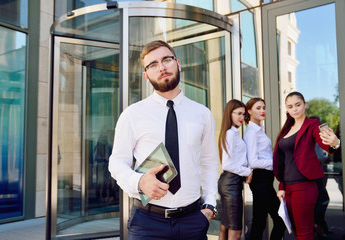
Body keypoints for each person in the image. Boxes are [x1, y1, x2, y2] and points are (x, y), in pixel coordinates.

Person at [108, 40, 219, 240]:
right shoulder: (132, 114)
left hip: (193, 220)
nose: (161, 67)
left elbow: (209, 163)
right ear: (146, 75)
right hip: (147, 222)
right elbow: (116, 162)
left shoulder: (202, 114)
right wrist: (139, 181)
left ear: (178, 64)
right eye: (152, 65)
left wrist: (210, 206)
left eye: (166, 59)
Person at [273, 91, 340, 240]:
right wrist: (282, 187)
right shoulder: (287, 129)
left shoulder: (313, 126)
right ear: (287, 109)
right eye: (290, 106)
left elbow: (326, 144)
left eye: (298, 105)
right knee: (297, 231)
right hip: (288, 189)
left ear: (305, 105)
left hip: (304, 187)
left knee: (304, 233)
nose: (294, 109)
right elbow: (284, 162)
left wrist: (335, 143)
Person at [243, 98, 286, 240]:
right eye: (258, 108)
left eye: (263, 107)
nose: (262, 111)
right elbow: (253, 162)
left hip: (265, 179)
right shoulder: (252, 133)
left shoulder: (260, 130)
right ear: (249, 111)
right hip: (260, 179)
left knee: (259, 222)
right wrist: (274, 163)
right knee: (279, 220)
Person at [218, 99, 253, 240]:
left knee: (225, 227)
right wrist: (248, 172)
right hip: (231, 183)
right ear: (229, 113)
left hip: (230, 182)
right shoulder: (230, 134)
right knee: (236, 231)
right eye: (238, 113)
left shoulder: (231, 133)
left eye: (243, 114)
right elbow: (227, 164)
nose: (241, 117)